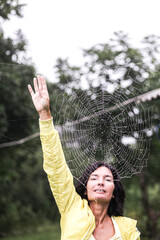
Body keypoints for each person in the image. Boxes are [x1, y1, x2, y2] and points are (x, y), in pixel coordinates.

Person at [28, 75, 140, 240]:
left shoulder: (128, 229)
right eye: (94, 178)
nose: (101, 182)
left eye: (108, 179)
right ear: (85, 189)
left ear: (114, 192)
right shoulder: (71, 208)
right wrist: (45, 114)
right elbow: (56, 167)